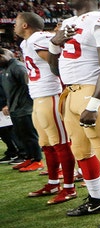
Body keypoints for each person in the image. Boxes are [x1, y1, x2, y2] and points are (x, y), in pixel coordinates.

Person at [47, 0, 100, 228]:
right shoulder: (68, 23)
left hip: (94, 90)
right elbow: (55, 69)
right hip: (71, 91)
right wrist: (55, 43)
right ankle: (96, 200)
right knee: (81, 151)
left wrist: (94, 104)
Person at [14, 12, 77, 204]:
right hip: (39, 96)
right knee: (47, 143)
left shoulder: (38, 39)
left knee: (60, 142)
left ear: (25, 25)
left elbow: (54, 61)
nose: (14, 26)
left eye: (16, 22)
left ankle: (69, 187)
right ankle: (53, 182)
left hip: (50, 94)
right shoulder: (27, 42)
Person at [0, 48, 44, 173]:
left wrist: (27, 104)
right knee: (21, 135)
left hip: (24, 108)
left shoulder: (18, 67)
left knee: (30, 135)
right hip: (15, 108)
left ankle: (37, 160)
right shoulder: (6, 68)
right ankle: (29, 158)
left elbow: (28, 85)